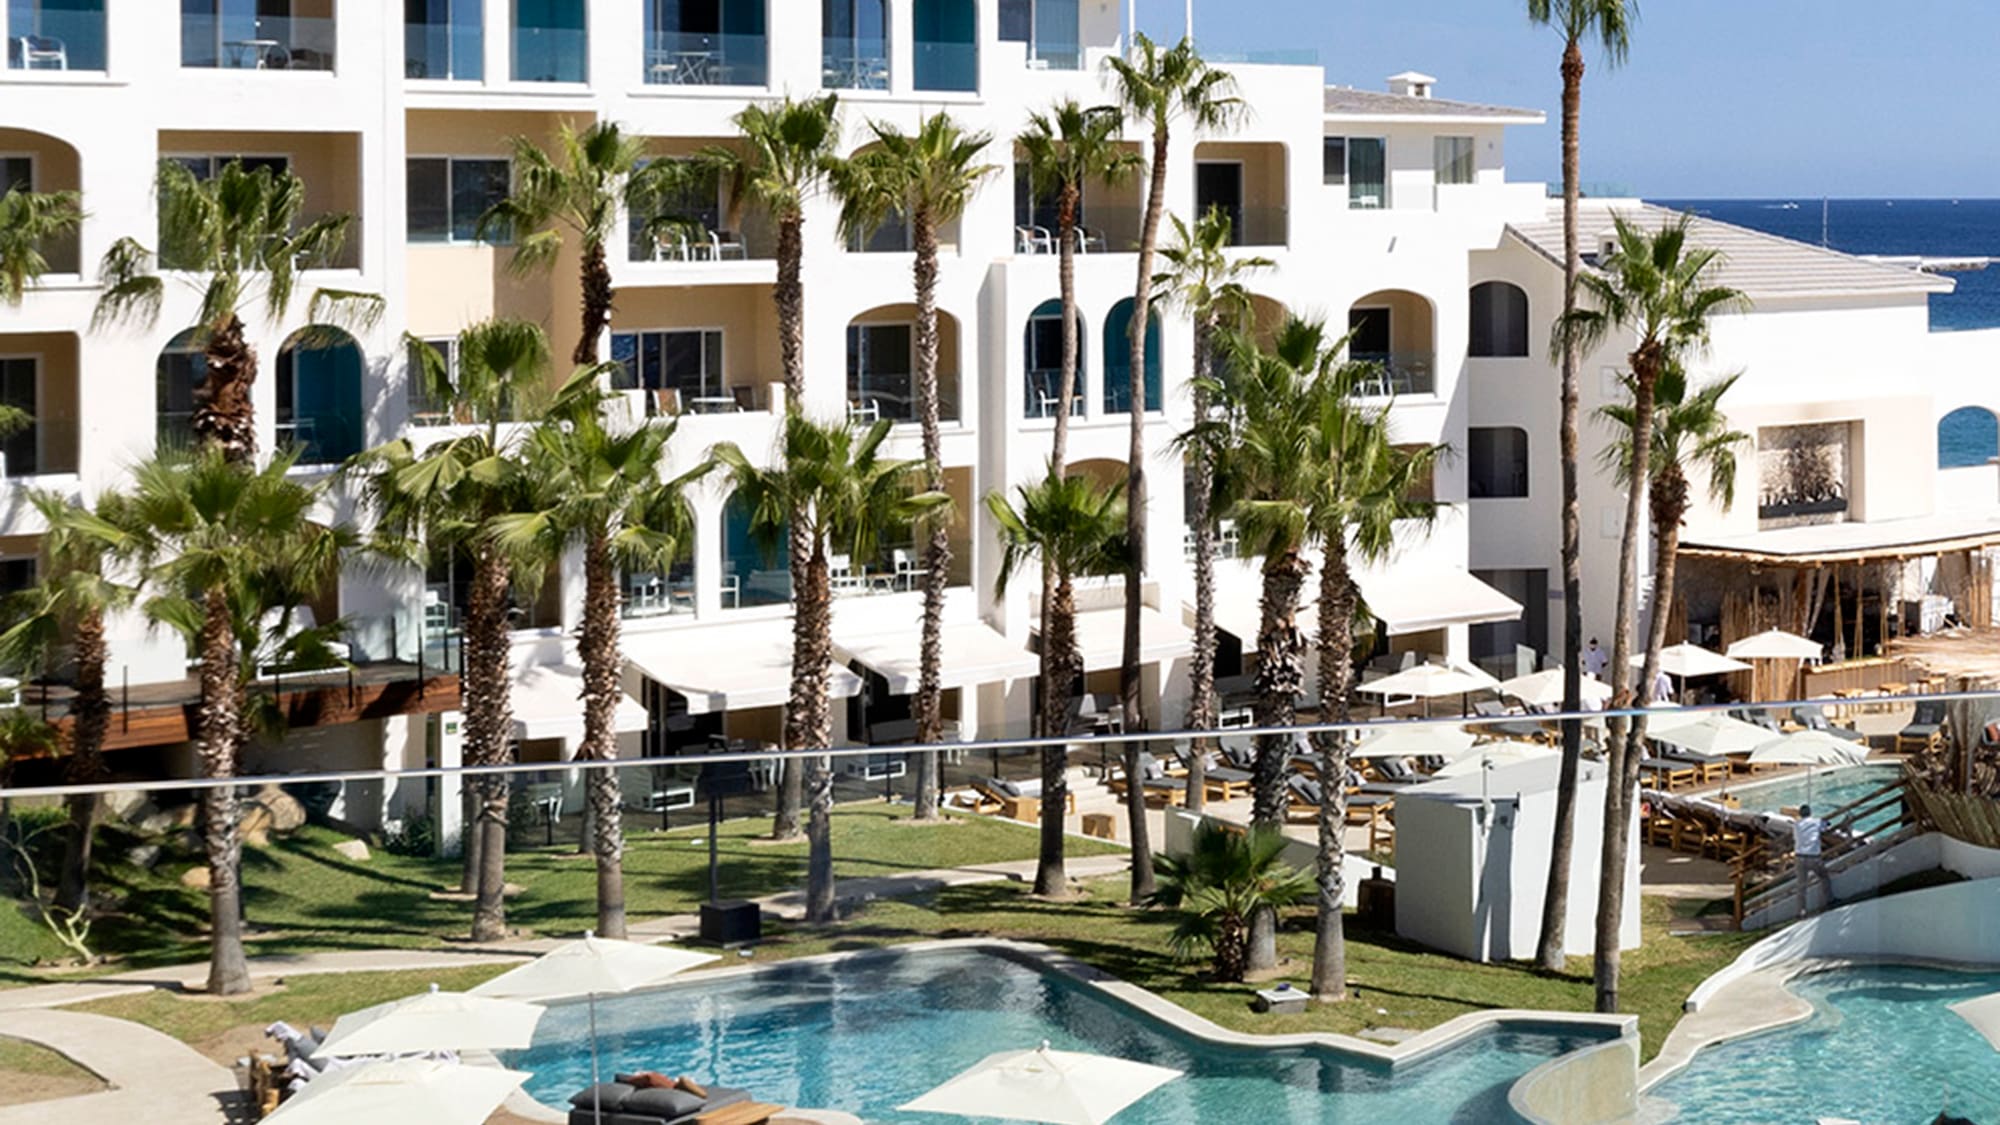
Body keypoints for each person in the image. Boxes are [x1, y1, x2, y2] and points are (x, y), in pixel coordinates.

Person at [1793, 804, 1835, 917]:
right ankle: (1829, 901)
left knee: (1801, 885)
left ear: (1800, 814)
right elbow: (1827, 826)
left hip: (1799, 856)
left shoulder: (1796, 824)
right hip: (1813, 856)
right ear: (1810, 813)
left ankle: (1801, 910)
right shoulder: (1817, 822)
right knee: (1824, 877)